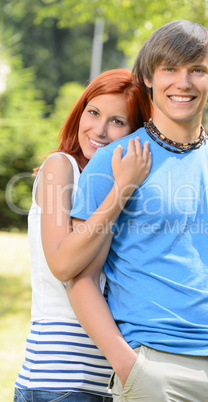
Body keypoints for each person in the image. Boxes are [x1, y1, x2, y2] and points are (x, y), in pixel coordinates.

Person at [69, 20, 208, 401]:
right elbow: (81, 279)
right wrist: (130, 368)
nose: (184, 83)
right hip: (156, 368)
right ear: (148, 76)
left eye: (197, 70)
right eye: (170, 69)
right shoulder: (115, 161)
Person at [13, 69, 152, 402]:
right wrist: (122, 188)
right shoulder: (61, 168)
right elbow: (63, 265)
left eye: (117, 122)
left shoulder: (112, 188)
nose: (100, 131)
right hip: (57, 380)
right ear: (80, 111)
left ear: (135, 132)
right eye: (93, 113)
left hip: (110, 381)